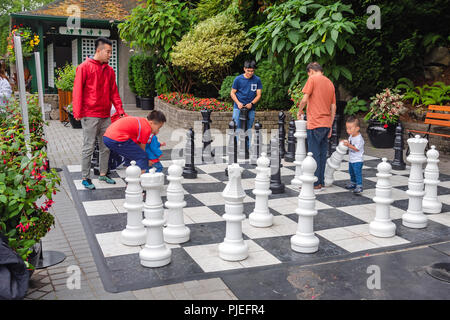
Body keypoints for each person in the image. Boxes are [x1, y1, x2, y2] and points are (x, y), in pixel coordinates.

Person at [72, 37, 125, 190]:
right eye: (108, 52)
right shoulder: (84, 67)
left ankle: (103, 173)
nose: (110, 55)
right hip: (89, 114)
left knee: (106, 146)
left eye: (111, 52)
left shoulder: (109, 70)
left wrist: (120, 110)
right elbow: (77, 91)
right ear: (98, 50)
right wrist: (77, 111)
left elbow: (114, 92)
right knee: (88, 146)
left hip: (105, 114)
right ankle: (85, 177)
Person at [296, 62, 336, 191]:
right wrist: (330, 124)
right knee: (322, 154)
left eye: (308, 74)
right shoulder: (330, 83)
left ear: (311, 71)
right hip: (326, 123)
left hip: (314, 123)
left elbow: (304, 98)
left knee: (313, 154)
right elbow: (333, 106)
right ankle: (321, 182)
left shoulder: (312, 79)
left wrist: (300, 110)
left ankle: (314, 183)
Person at [103, 110, 167, 174]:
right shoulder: (146, 128)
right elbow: (142, 148)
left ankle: (130, 170)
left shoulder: (141, 121)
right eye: (159, 127)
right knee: (142, 157)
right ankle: (141, 179)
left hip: (107, 137)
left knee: (133, 153)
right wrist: (147, 161)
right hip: (117, 139)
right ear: (151, 123)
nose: (158, 130)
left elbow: (137, 144)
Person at [230, 60, 262, 148]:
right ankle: (234, 147)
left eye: (252, 71)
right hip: (238, 107)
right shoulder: (238, 79)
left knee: (248, 128)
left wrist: (251, 103)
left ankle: (246, 148)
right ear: (244, 69)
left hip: (250, 108)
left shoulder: (257, 80)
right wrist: (238, 103)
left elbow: (258, 95)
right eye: (248, 71)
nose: (250, 73)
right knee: (236, 126)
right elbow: (232, 93)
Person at [342, 116, 365, 194]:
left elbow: (356, 149)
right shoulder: (351, 136)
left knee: (357, 172)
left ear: (357, 128)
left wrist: (348, 145)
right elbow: (349, 143)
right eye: (347, 128)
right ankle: (353, 183)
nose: (348, 130)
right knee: (351, 172)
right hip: (351, 159)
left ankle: (359, 185)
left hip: (358, 160)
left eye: (350, 128)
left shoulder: (359, 138)